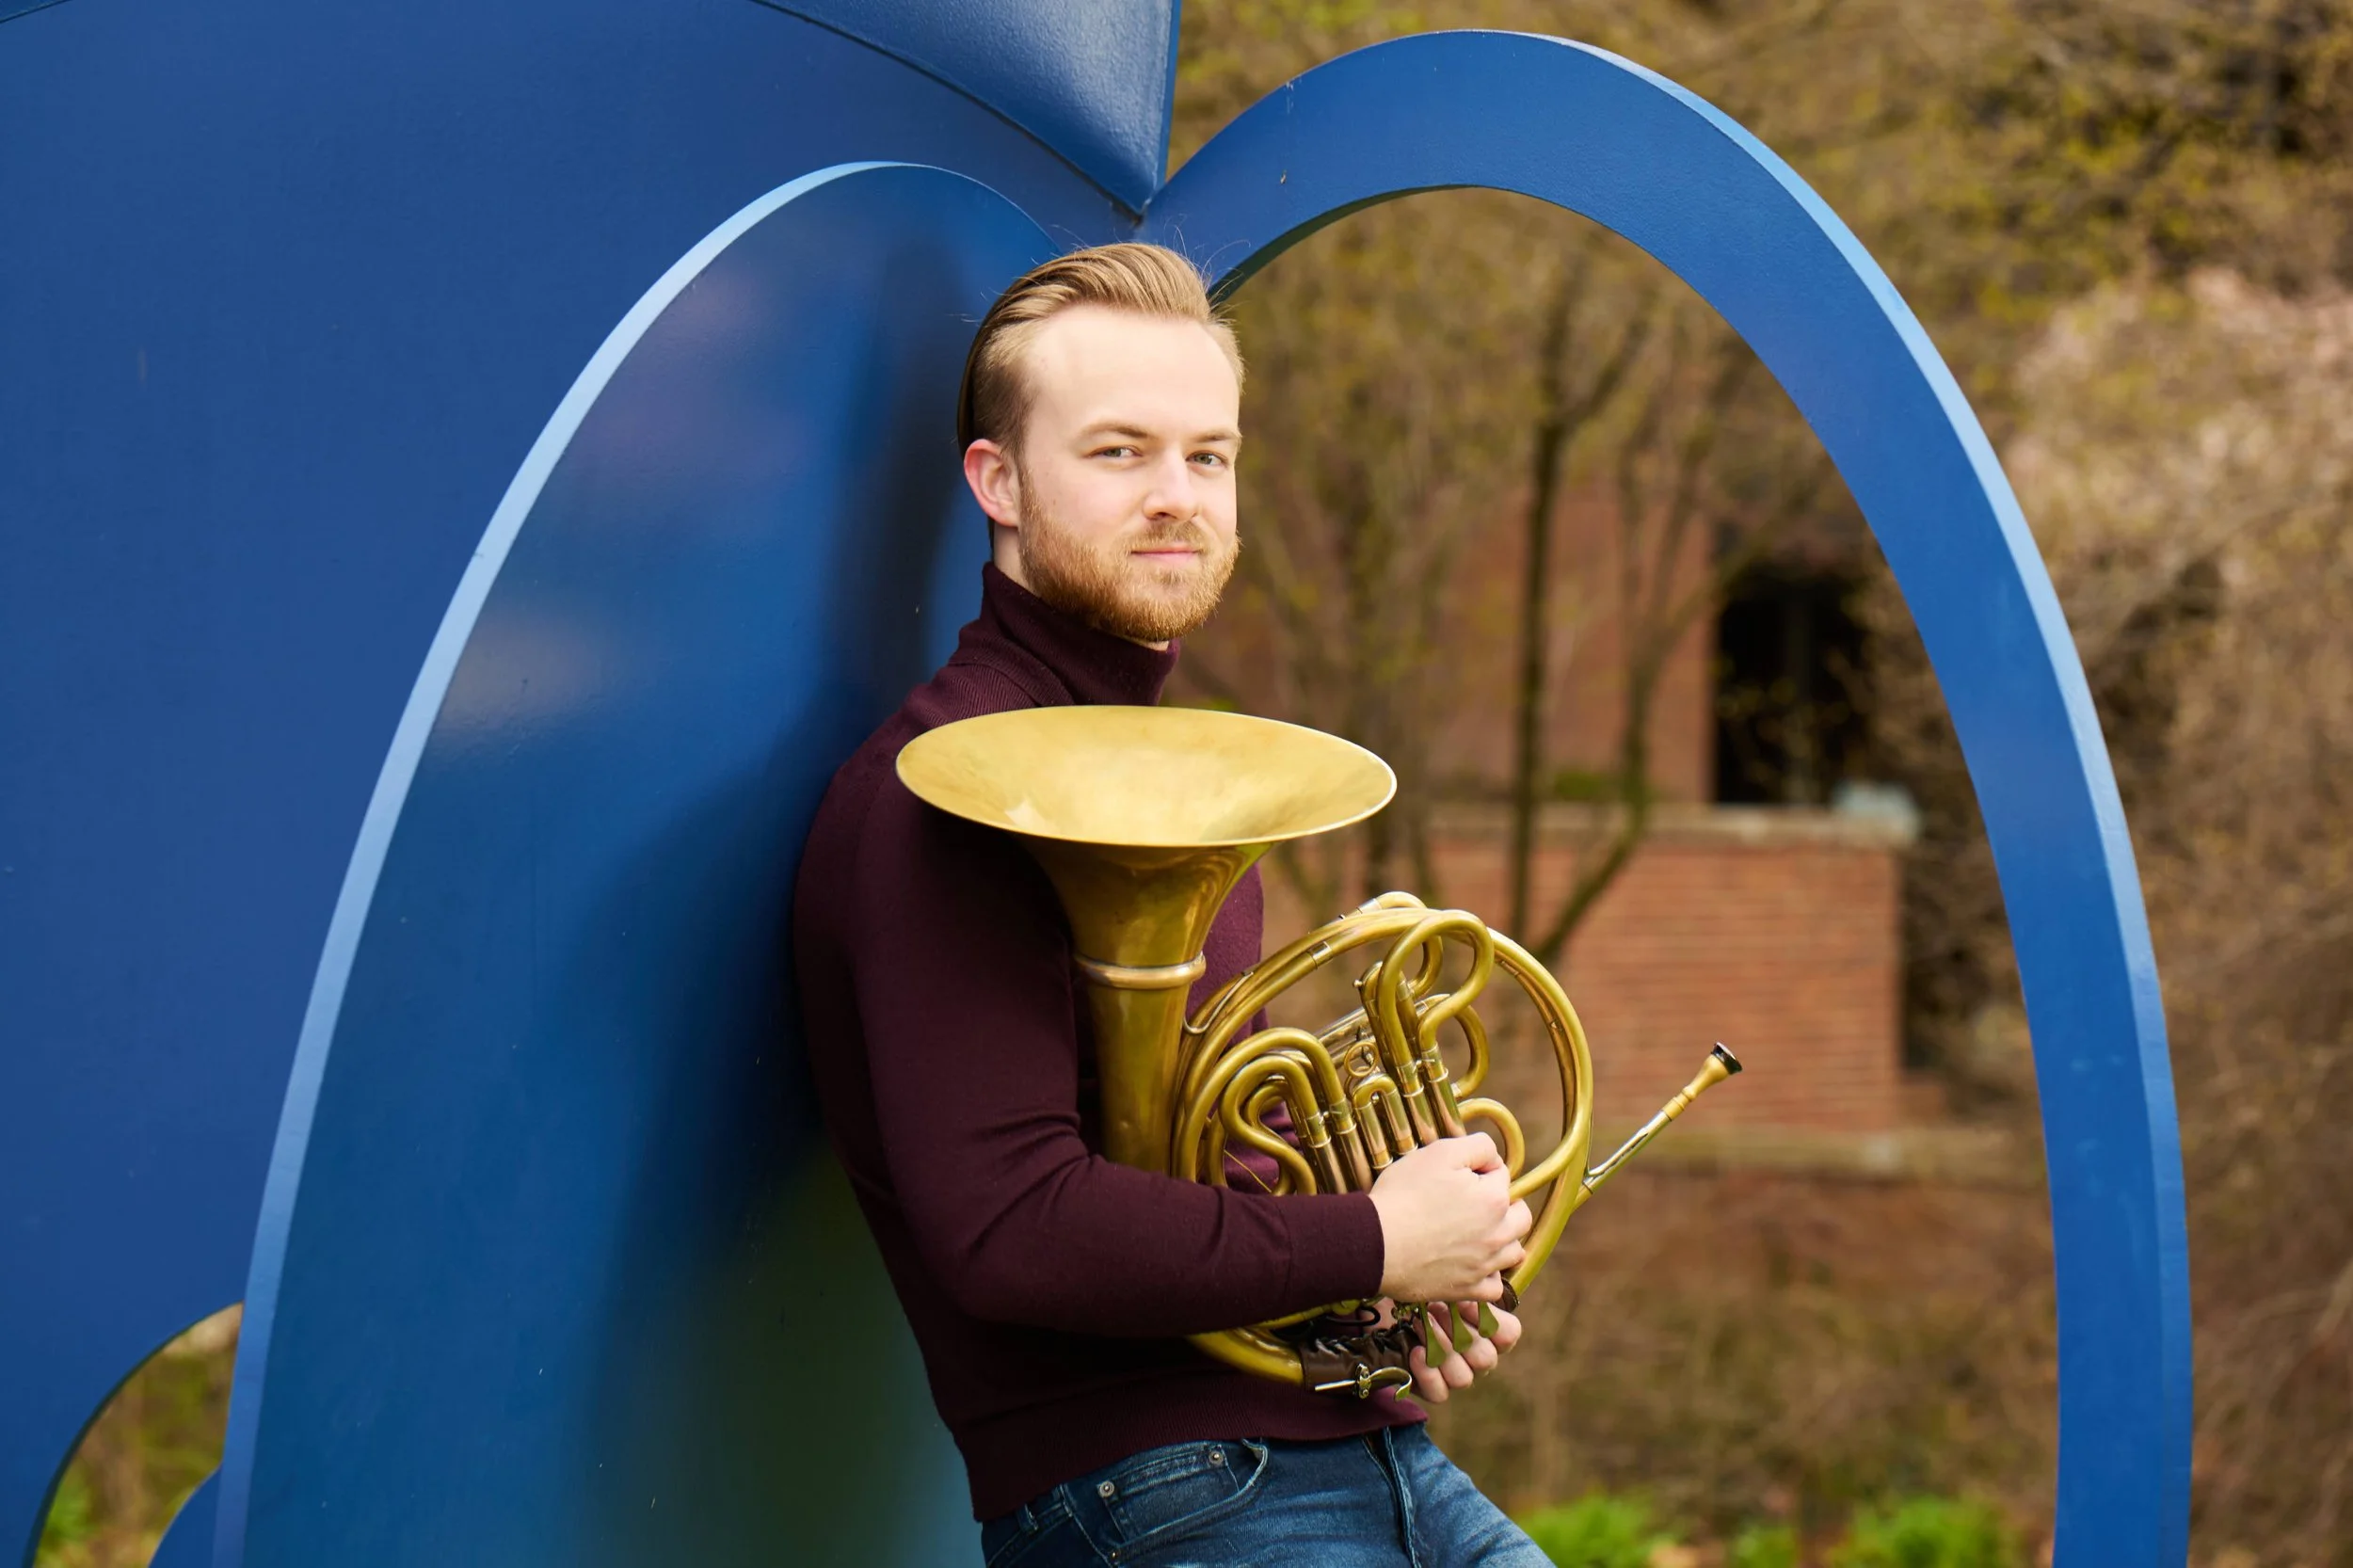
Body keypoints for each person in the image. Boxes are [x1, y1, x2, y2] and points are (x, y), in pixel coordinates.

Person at [792, 242, 1550, 1566]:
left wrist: (1383, 1299)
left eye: (1210, 455)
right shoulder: (946, 798)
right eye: (1119, 453)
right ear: (999, 482)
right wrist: (1371, 1236)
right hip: (1157, 1495)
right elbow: (1013, 1227)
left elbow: (1199, 1181)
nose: (1176, 497)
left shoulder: (1186, 786)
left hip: (1350, 1450)